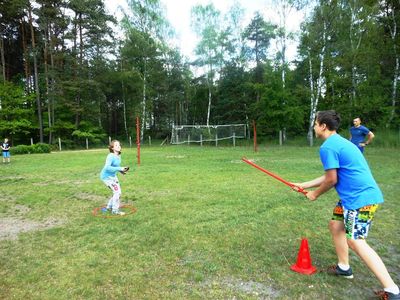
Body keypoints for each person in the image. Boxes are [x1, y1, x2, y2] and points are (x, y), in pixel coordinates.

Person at [293, 110, 399, 300]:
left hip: (360, 199)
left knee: (356, 241)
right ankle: (344, 267)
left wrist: (314, 194)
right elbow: (332, 175)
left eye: (315, 123)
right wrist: (303, 185)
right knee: (336, 225)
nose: (314, 127)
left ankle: (392, 290)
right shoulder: (340, 142)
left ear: (323, 126)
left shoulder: (328, 147)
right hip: (351, 198)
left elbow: (331, 179)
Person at [100, 140, 129, 215]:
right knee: (117, 192)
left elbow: (116, 167)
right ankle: (115, 210)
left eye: (119, 145)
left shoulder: (118, 155)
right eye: (116, 145)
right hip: (106, 177)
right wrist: (120, 169)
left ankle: (109, 207)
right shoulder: (110, 156)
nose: (118, 146)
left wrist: (122, 171)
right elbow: (107, 167)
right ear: (112, 148)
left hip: (113, 176)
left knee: (117, 192)